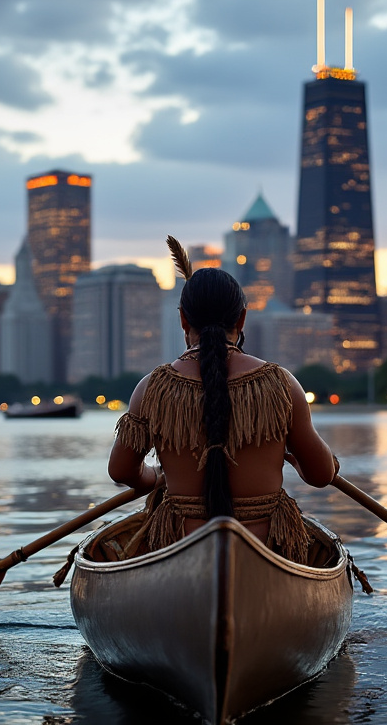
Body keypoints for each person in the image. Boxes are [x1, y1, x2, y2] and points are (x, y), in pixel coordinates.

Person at [107, 237, 340, 564]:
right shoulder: (281, 385)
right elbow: (321, 475)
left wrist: (155, 477)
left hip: (179, 543)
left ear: (183, 320)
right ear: (241, 319)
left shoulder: (152, 388)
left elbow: (121, 471)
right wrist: (298, 459)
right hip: (269, 547)